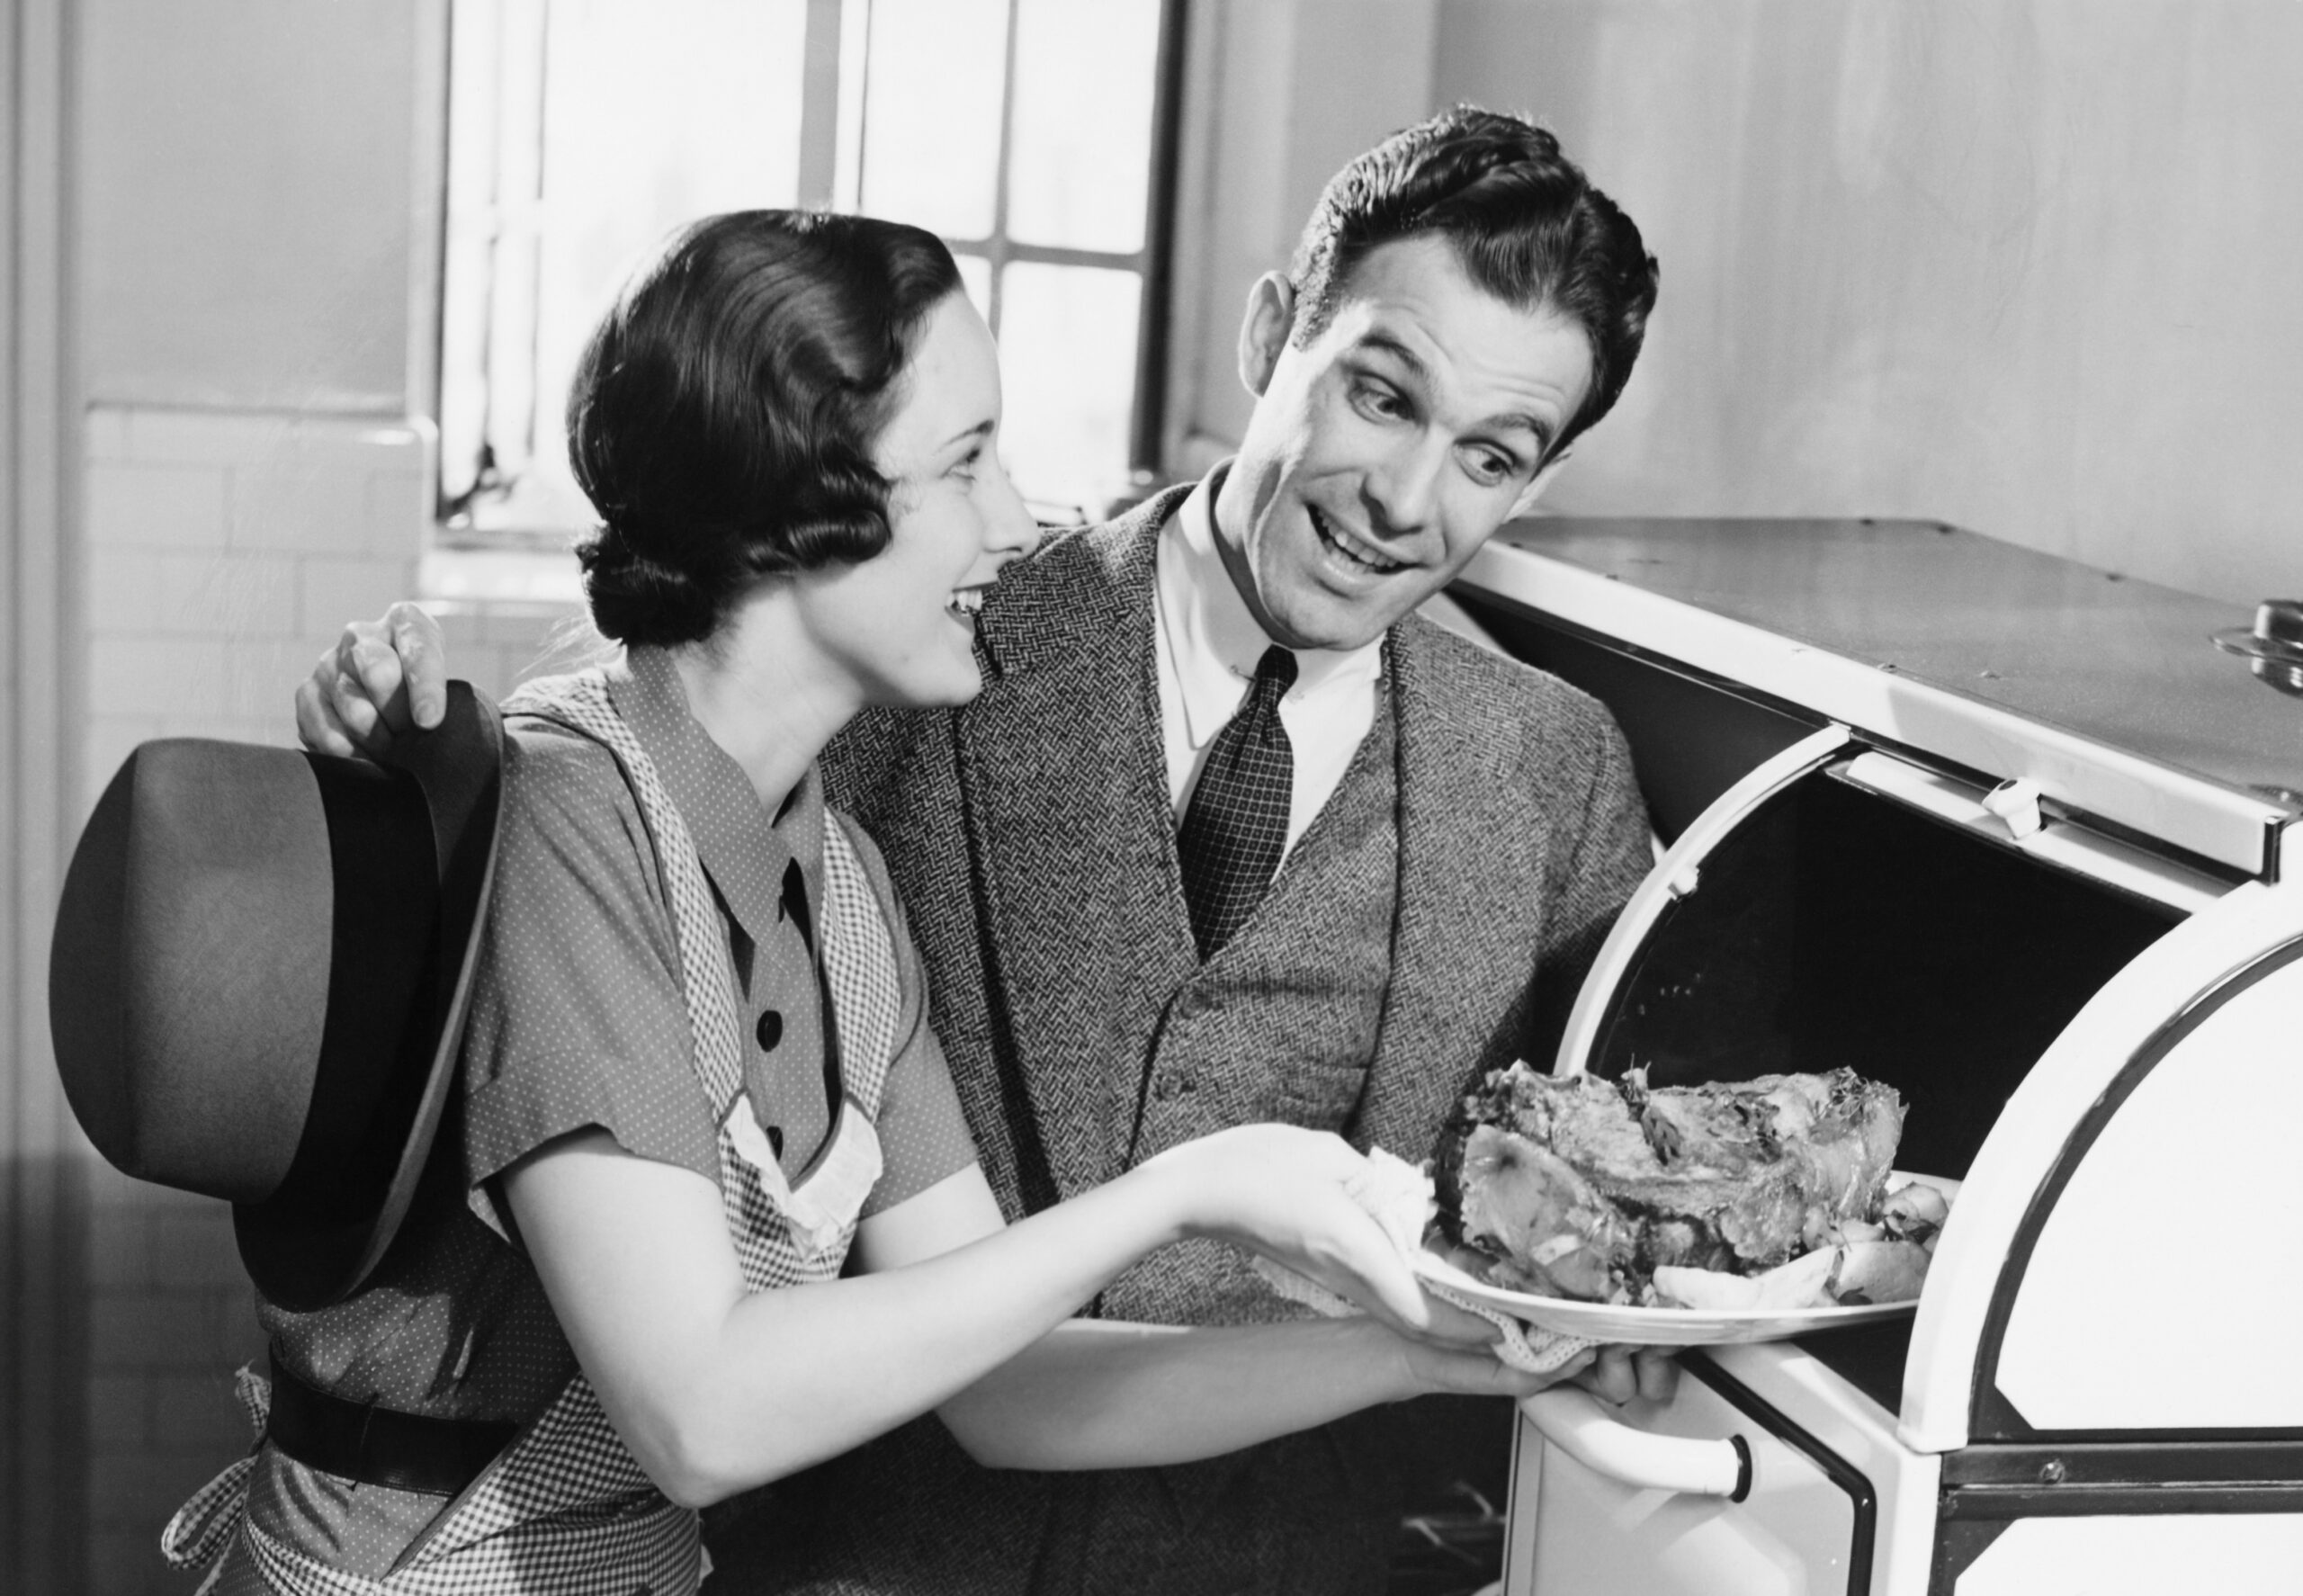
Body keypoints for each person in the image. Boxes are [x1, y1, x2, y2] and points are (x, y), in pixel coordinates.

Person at [300, 108, 1674, 1593]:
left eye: (1490, 451)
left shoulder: (845, 892)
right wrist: (426, 813)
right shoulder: (726, 743)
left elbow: (1008, 1388)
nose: (1407, 499)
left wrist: (1437, 1350)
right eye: (1381, 396)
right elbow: (697, 1398)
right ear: (1274, 331)